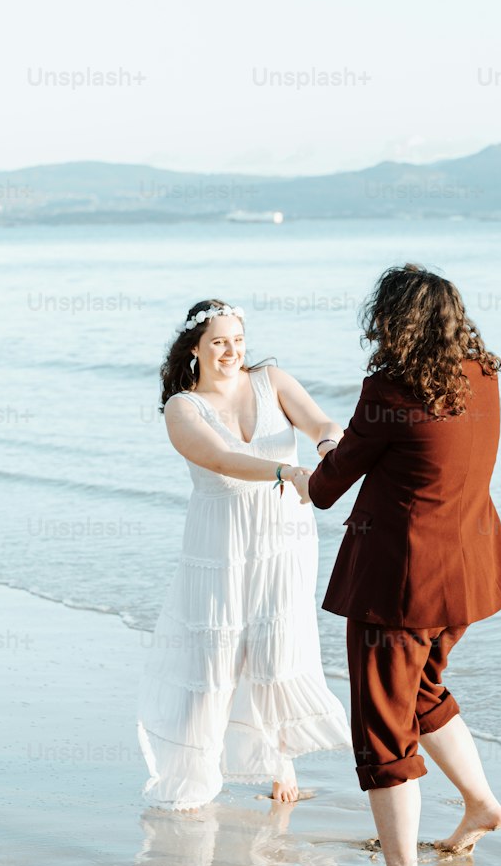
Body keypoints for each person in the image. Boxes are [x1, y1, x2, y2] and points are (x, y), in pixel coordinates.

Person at [289, 264, 501, 866]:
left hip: (400, 585)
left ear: (392, 321)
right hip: (469, 576)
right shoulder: (485, 376)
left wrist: (316, 456)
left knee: (383, 724)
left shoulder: (389, 390)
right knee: (422, 691)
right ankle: (480, 805)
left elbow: (327, 489)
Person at [137, 299, 353, 811]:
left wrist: (326, 451)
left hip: (286, 534)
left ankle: (281, 759)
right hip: (221, 540)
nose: (231, 350)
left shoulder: (271, 379)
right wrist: (285, 472)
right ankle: (194, 770)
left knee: (276, 646)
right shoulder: (182, 407)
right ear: (195, 347)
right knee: (218, 652)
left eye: (237, 339)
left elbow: (323, 422)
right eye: (218, 341)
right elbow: (221, 458)